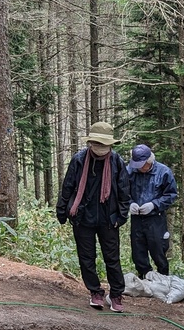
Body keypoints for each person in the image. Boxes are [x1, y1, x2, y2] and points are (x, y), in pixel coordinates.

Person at [55, 122, 132, 312]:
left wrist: (121, 217)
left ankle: (116, 295)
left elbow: (124, 191)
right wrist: (62, 210)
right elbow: (68, 186)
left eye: (103, 144)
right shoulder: (79, 159)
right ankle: (95, 292)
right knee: (86, 257)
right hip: (82, 217)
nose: (100, 147)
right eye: (96, 143)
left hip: (109, 219)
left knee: (112, 258)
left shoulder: (116, 161)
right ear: (90, 142)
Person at [126, 144, 178, 276]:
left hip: (156, 219)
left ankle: (163, 278)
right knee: (138, 252)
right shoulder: (129, 171)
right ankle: (144, 277)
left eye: (141, 165)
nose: (139, 168)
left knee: (158, 251)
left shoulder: (164, 172)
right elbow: (122, 192)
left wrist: (154, 205)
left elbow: (171, 195)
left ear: (149, 161)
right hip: (137, 218)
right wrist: (130, 203)